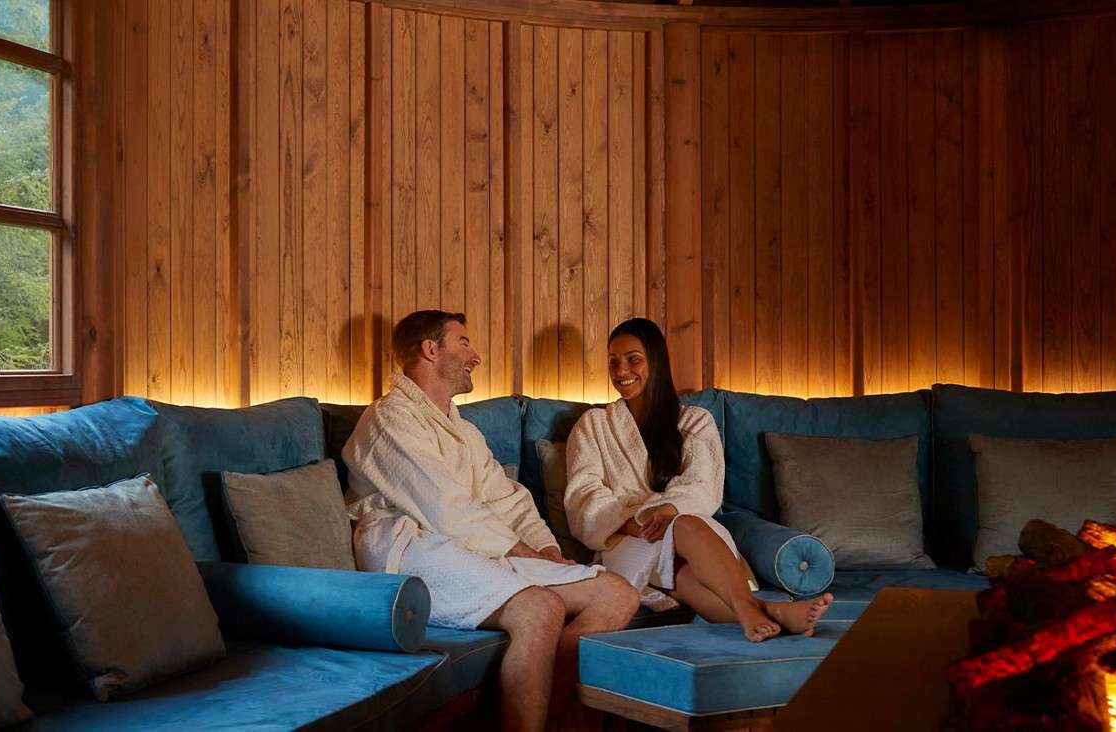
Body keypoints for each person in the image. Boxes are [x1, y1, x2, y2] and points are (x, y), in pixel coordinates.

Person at [344, 310, 639, 732]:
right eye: (463, 343)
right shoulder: (388, 419)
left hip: (475, 546)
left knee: (616, 594)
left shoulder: (462, 430)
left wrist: (550, 552)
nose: (476, 355)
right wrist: (523, 552)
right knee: (539, 608)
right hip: (409, 549)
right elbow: (444, 507)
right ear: (430, 350)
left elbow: (509, 498)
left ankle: (550, 718)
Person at [564, 318, 833, 643]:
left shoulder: (694, 421)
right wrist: (633, 523)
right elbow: (584, 494)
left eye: (633, 359)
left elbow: (703, 485)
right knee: (679, 547)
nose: (621, 370)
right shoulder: (593, 425)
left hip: (693, 532)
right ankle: (760, 610)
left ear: (656, 361)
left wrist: (667, 511)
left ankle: (760, 613)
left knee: (685, 542)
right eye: (613, 361)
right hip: (625, 539)